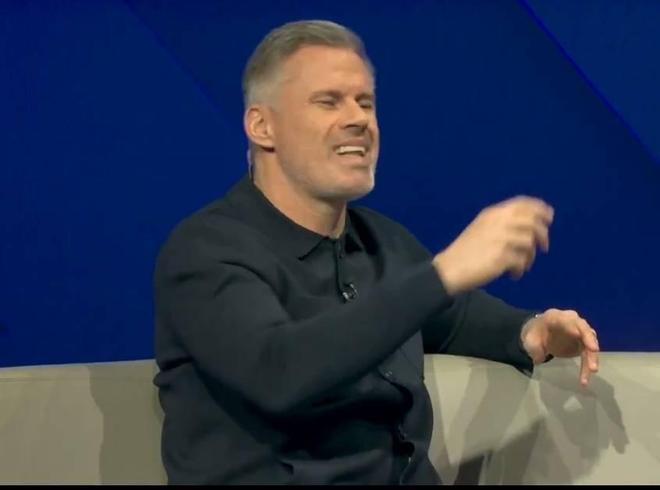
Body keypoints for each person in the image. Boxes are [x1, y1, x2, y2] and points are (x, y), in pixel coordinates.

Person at [153, 19, 600, 485]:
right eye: (328, 101)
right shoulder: (204, 252)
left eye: (365, 102)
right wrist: (445, 271)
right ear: (262, 126)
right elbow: (278, 371)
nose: (359, 119)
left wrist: (533, 331)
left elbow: (452, 317)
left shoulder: (382, 242)